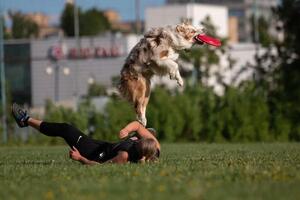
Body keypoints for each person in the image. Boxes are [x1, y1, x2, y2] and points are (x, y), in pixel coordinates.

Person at [11, 103, 160, 165]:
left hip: (95, 154)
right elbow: (138, 125)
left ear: (141, 154)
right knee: (66, 128)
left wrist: (81, 158)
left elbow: (101, 168)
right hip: (104, 145)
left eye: (137, 140)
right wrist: (127, 130)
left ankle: (25, 120)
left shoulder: (125, 156)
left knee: (66, 129)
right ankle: (26, 121)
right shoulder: (154, 145)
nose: (138, 138)